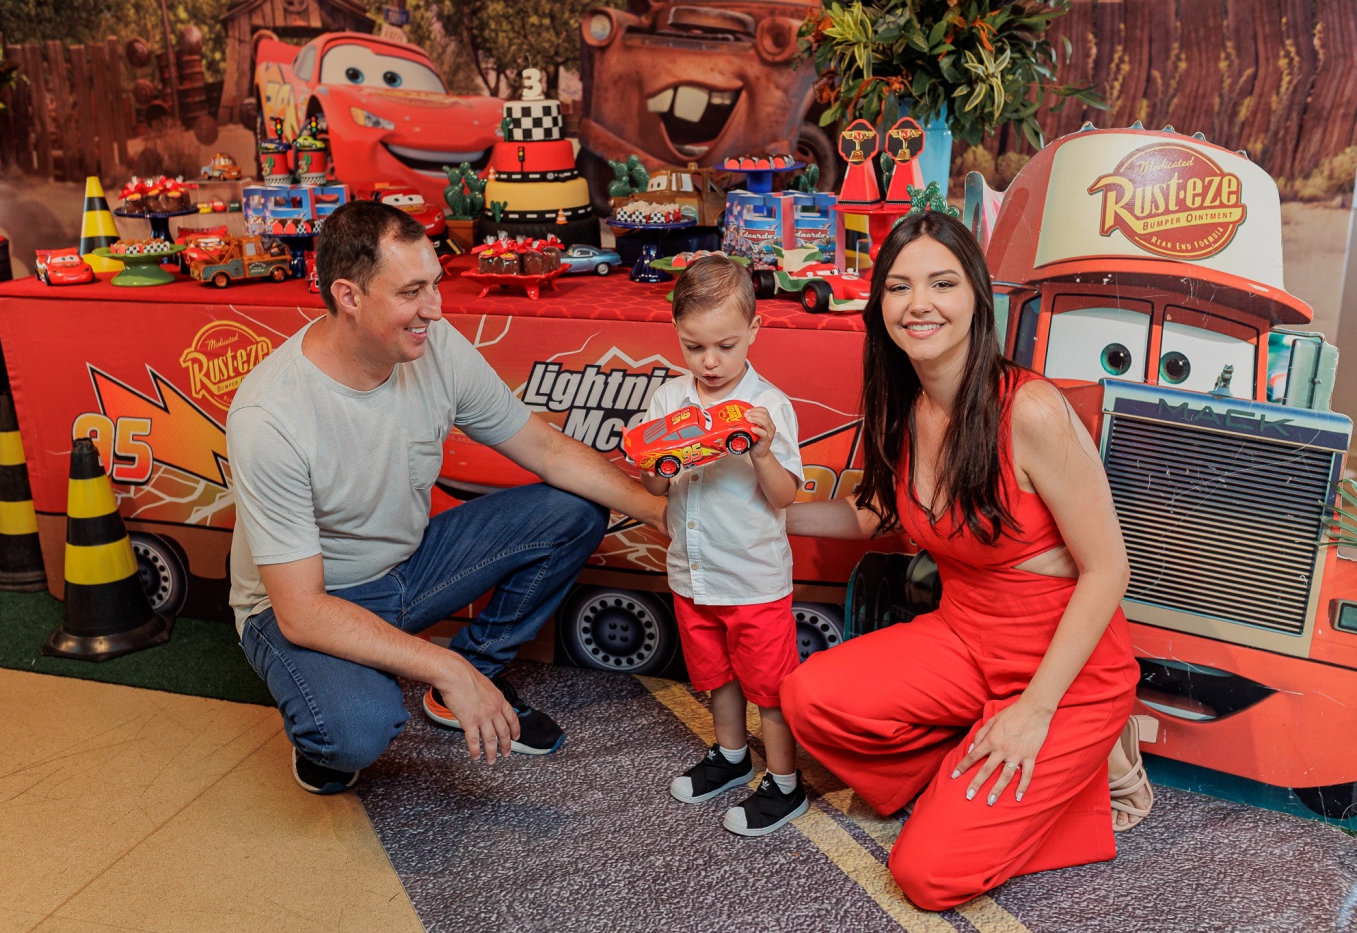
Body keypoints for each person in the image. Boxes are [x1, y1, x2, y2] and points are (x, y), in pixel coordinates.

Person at [227, 199, 666, 795]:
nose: (434, 309)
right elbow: (301, 611)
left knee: (572, 509)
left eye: (434, 284)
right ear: (349, 296)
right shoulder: (269, 417)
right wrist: (442, 662)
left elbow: (545, 448)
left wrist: (660, 511)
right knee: (355, 730)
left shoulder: (434, 344)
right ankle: (377, 701)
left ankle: (464, 682)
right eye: (412, 292)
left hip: (408, 570)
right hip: (310, 604)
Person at [779, 210, 1152, 909]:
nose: (918, 304)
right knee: (808, 698)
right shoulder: (903, 403)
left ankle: (1077, 766)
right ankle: (976, 761)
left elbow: (1109, 569)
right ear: (879, 305)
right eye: (899, 287)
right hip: (963, 637)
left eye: (942, 283)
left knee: (928, 874)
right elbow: (877, 514)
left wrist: (1034, 711)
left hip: (1063, 670)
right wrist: (773, 519)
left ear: (978, 297)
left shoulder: (1031, 410)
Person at [638, 256, 809, 836]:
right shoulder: (668, 401)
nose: (710, 362)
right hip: (693, 575)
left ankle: (785, 783)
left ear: (754, 331)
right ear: (677, 334)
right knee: (717, 677)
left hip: (753, 580)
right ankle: (733, 756)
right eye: (694, 347)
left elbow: (784, 496)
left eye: (725, 346)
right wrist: (650, 460)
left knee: (771, 690)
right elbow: (656, 487)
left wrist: (761, 453)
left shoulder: (770, 407)